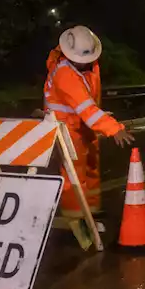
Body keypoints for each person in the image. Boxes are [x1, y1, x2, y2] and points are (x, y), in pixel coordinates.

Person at [43, 25, 135, 218]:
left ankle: (91, 211)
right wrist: (113, 128)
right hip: (66, 128)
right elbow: (86, 108)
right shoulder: (65, 74)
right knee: (74, 176)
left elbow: (88, 105)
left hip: (81, 124)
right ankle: (76, 219)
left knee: (91, 168)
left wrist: (100, 117)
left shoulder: (88, 67)